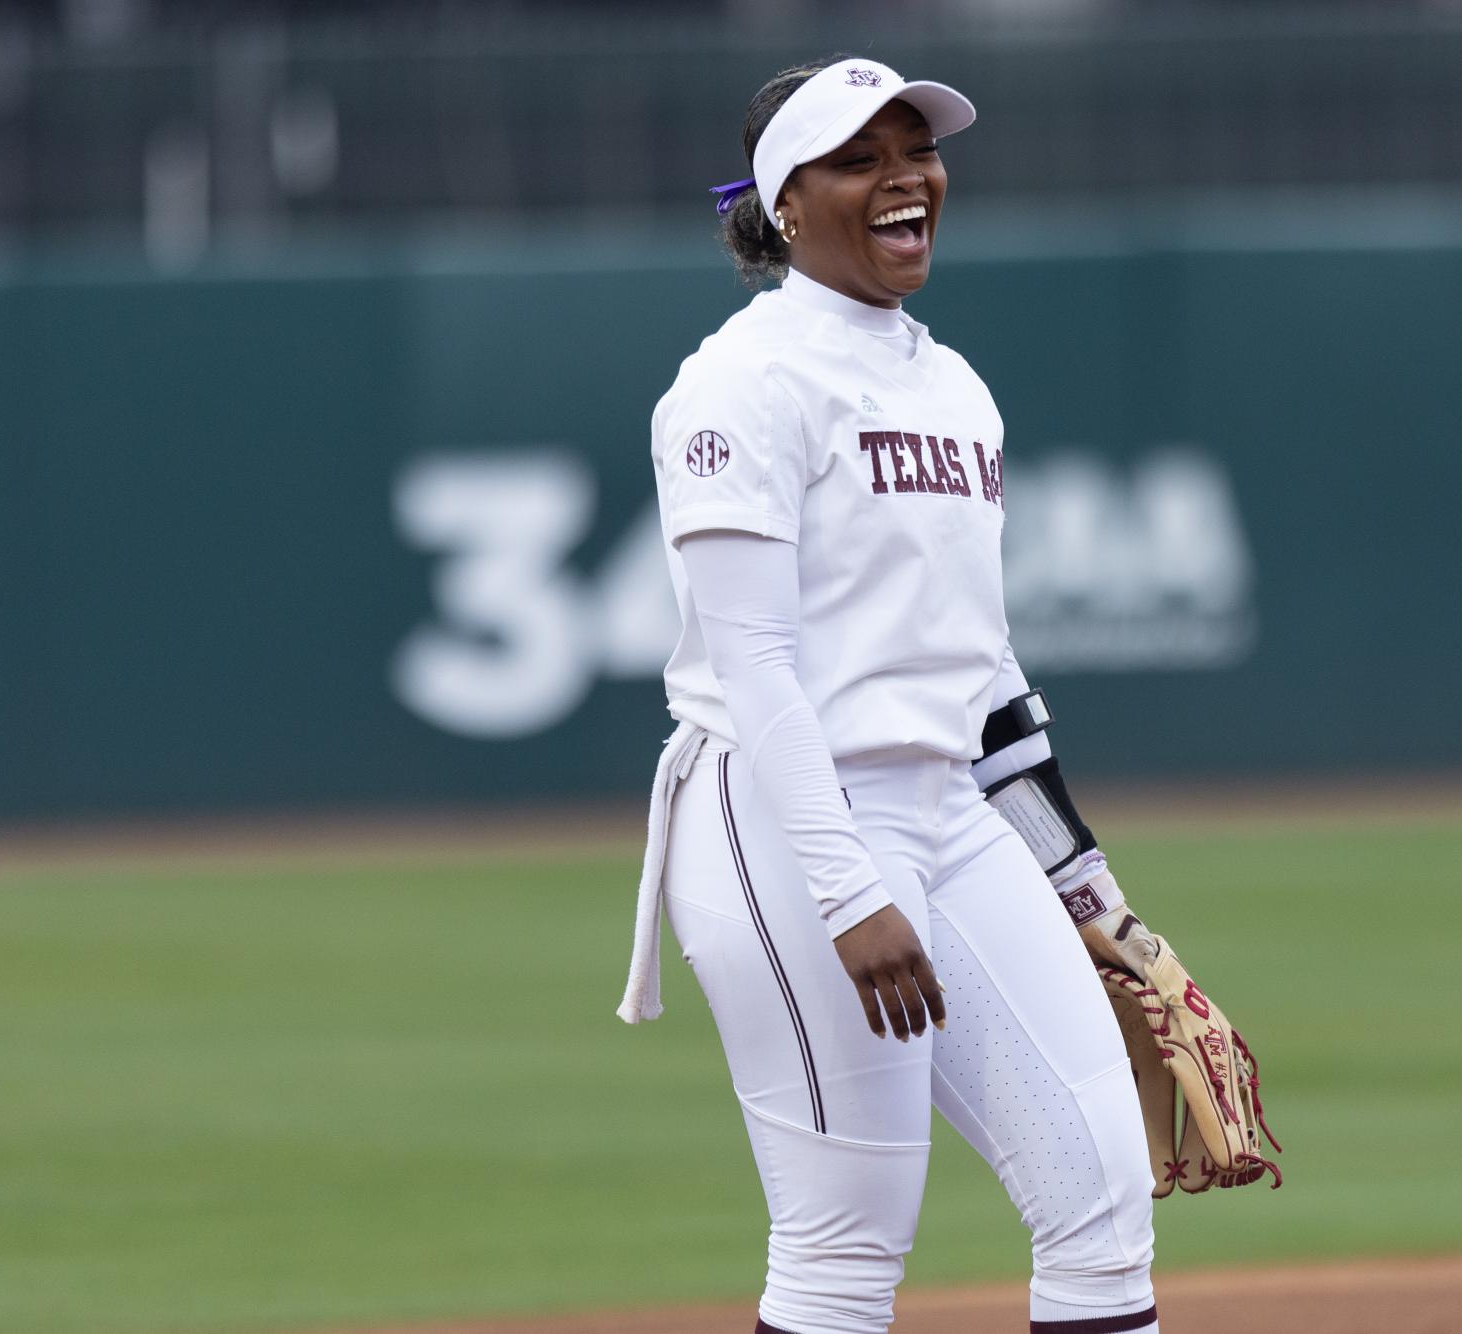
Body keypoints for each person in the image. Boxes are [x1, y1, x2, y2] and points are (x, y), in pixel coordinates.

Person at [616, 56, 1163, 1334]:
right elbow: (757, 668)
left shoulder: (954, 386)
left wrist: (1088, 890)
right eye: (860, 158)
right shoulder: (740, 384)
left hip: (952, 812)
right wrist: (850, 887)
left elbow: (988, 684)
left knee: (1102, 1192)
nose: (906, 177)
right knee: (845, 1244)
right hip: (787, 816)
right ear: (785, 202)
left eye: (917, 148)